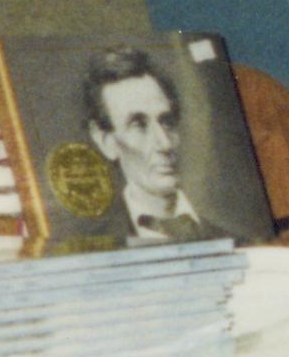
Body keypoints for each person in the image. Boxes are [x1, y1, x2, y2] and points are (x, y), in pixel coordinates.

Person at [79, 48, 231, 243]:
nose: (165, 143)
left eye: (166, 122)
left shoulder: (236, 242)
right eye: (139, 125)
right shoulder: (93, 250)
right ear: (106, 141)